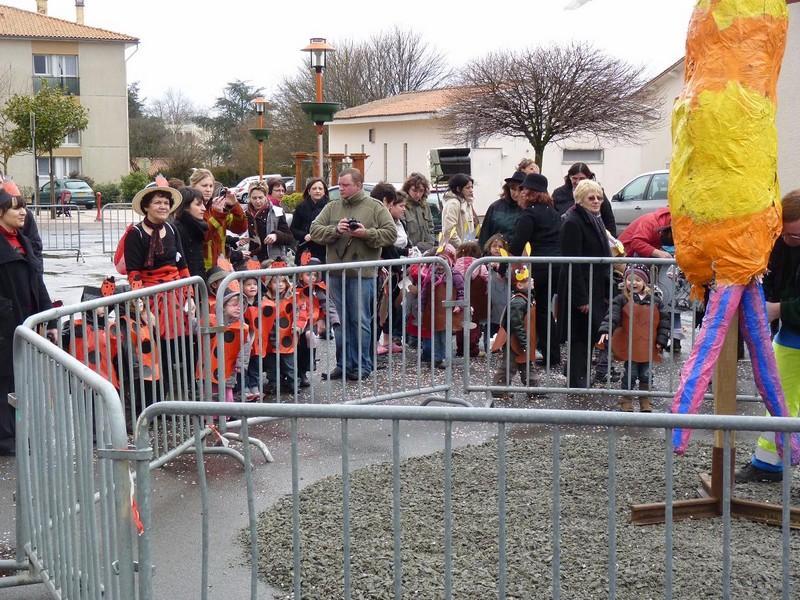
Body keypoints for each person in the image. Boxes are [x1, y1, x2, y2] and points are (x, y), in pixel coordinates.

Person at [736, 189, 800, 483]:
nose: (788, 241)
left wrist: (780, 309)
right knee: (778, 398)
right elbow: (771, 275)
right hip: (790, 337)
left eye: (795, 236)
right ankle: (768, 463)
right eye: (786, 234)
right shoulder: (781, 243)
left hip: (789, 327)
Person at [310, 168, 397, 380]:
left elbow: (391, 234)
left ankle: (362, 365)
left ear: (358, 185)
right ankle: (343, 364)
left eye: (345, 185)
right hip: (336, 273)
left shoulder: (374, 207)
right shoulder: (332, 207)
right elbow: (314, 230)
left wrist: (365, 233)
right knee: (339, 322)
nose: (341, 189)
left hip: (362, 274)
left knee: (360, 321)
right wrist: (335, 230)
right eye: (339, 185)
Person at [0, 190, 55, 456]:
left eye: (23, 207)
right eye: (15, 208)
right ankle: (6, 438)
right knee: (5, 382)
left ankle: (20, 433)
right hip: (5, 323)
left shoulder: (23, 239)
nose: (23, 212)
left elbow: (37, 280)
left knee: (20, 380)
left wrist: (49, 315)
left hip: (25, 320)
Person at [557, 179, 612, 388]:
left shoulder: (594, 218)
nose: (597, 201)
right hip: (580, 288)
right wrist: (581, 298)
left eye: (599, 197)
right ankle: (577, 380)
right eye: (592, 198)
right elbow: (573, 263)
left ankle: (580, 376)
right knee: (579, 336)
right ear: (581, 200)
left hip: (594, 286)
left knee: (589, 334)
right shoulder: (573, 222)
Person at [597, 265, 670, 412]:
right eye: (629, 280)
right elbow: (613, 316)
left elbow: (664, 322)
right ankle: (626, 399)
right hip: (630, 345)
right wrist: (606, 329)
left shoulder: (655, 301)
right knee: (631, 373)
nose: (633, 283)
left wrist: (662, 341)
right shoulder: (621, 299)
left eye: (637, 279)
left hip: (648, 345)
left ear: (645, 282)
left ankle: (645, 400)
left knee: (647, 374)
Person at [509, 173, 563, 368]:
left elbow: (516, 246)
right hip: (561, 266)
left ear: (530, 192)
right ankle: (553, 353)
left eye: (523, 189)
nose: (520, 192)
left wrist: (504, 265)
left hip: (542, 267)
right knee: (551, 310)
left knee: (542, 311)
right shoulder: (553, 212)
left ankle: (550, 355)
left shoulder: (529, 214)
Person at [491, 262, 539, 398]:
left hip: (521, 338)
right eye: (528, 280)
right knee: (509, 365)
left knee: (526, 363)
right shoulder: (519, 301)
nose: (532, 281)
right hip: (514, 339)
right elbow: (516, 323)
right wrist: (524, 342)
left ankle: (534, 389)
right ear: (519, 285)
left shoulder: (526, 299)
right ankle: (499, 389)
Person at [189, 168, 248, 271]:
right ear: (193, 186)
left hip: (222, 266)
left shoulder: (216, 207)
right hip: (201, 269)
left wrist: (234, 205)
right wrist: (217, 215)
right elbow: (203, 236)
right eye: (204, 186)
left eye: (211, 186)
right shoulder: (190, 209)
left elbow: (240, 228)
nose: (208, 189)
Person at [419, 244, 464, 368]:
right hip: (434, 310)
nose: (439, 265)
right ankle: (437, 357)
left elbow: (462, 291)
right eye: (437, 261)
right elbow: (425, 292)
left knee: (445, 337)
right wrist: (422, 307)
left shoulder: (455, 275)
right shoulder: (430, 276)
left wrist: (459, 305)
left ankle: (446, 358)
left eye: (443, 261)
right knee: (435, 336)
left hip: (448, 311)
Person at [552, 162, 617, 236]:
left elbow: (608, 218)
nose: (578, 182)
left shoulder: (597, 192)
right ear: (569, 177)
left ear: (588, 178)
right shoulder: (559, 193)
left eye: (582, 178)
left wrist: (611, 240)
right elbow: (553, 218)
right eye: (574, 178)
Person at [246, 182, 293, 262]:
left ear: (266, 197)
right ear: (249, 198)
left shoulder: (277, 212)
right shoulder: (245, 214)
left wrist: (276, 235)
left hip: (273, 260)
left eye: (260, 197)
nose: (257, 201)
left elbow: (289, 238)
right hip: (252, 260)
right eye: (254, 198)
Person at [478, 171, 524, 249]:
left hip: (520, 255)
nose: (516, 193)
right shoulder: (495, 207)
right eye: (513, 188)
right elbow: (484, 235)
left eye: (520, 189)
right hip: (496, 253)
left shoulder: (529, 208)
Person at [172, 187, 208, 282]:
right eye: (198, 204)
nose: (204, 208)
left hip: (197, 282)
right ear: (185, 207)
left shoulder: (198, 227)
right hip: (186, 286)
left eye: (203, 204)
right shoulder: (177, 229)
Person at [291, 178, 329, 264]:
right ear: (309, 191)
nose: (317, 191)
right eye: (314, 188)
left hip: (324, 250)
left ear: (324, 191)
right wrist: (304, 235)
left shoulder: (330, 207)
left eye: (320, 188)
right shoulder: (301, 207)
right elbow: (293, 229)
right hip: (305, 248)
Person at [401, 173, 435, 248]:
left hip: (426, 250)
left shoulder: (425, 206)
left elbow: (431, 228)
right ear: (407, 189)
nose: (418, 194)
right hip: (410, 252)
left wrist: (430, 243)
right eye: (414, 190)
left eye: (421, 191)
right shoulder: (402, 206)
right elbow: (401, 232)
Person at [440, 173, 476, 246]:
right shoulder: (453, 204)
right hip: (454, 251)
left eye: (472, 187)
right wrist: (462, 247)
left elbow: (470, 231)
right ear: (458, 189)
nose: (471, 190)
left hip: (465, 250)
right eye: (467, 188)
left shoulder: (466, 202)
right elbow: (449, 231)